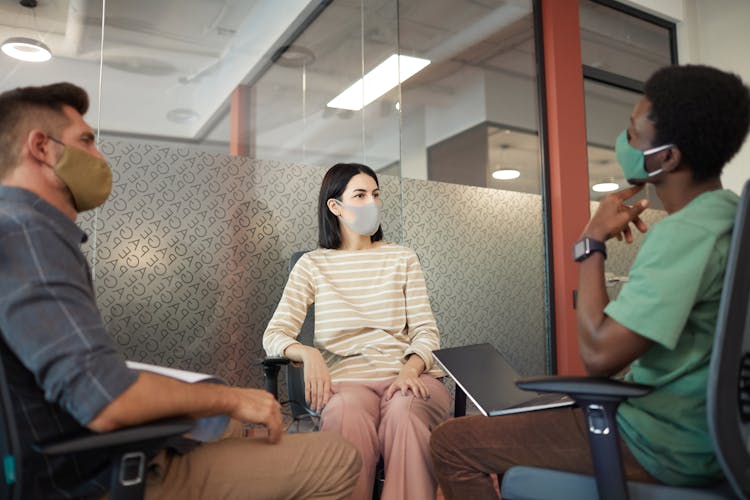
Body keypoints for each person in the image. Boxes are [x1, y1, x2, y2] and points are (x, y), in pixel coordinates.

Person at [0, 82, 361, 500]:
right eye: (86, 141)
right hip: (92, 476)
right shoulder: (28, 235)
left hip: (67, 455)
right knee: (337, 457)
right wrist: (225, 398)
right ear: (42, 148)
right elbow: (103, 397)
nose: (98, 157)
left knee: (226, 424)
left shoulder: (20, 232)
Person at [430, 64, 750, 498]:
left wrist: (590, 242)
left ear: (668, 157)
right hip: (707, 436)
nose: (624, 142)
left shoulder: (686, 232)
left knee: (452, 442)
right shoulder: (729, 217)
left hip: (659, 442)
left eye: (633, 133)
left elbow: (599, 356)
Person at [263, 163, 451, 500]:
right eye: (360, 195)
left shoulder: (402, 258)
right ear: (335, 206)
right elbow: (274, 334)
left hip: (407, 377)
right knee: (346, 414)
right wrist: (307, 353)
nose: (372, 203)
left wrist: (410, 368)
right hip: (348, 384)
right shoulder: (313, 265)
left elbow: (426, 332)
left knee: (404, 413)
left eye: (375, 195)